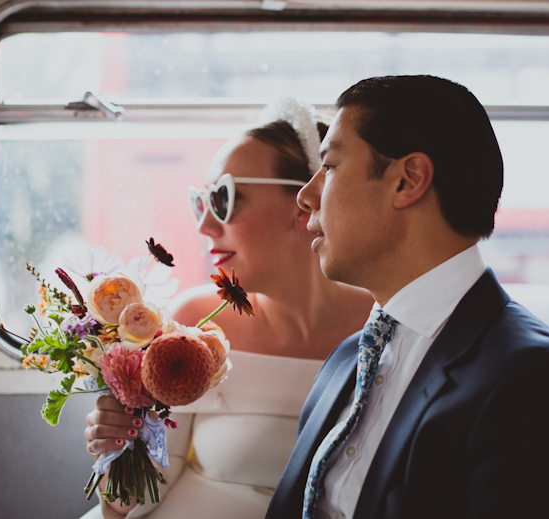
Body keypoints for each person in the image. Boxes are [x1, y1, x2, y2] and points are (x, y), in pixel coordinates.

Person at [265, 76, 549, 519]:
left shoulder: (539, 383)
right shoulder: (348, 358)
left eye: (331, 166)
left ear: (408, 180)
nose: (306, 195)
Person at [81, 98, 374, 519]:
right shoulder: (190, 321)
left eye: (223, 198)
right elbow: (132, 503)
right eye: (201, 201)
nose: (204, 226)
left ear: (303, 203)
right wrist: (116, 449)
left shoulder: (384, 328)